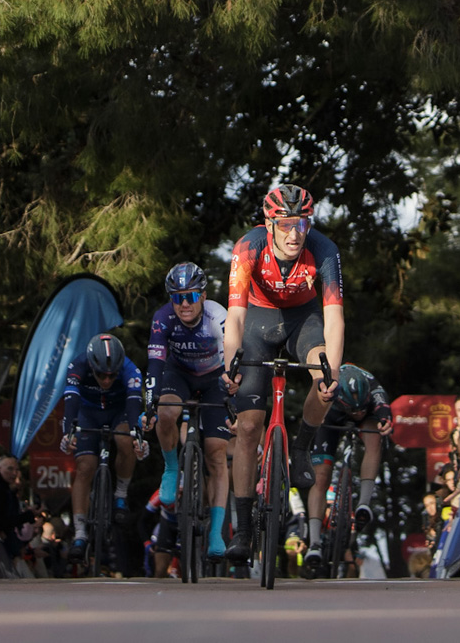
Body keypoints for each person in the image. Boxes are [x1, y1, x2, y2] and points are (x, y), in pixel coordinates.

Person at [222, 184, 343, 564]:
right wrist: (230, 363)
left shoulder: (324, 251)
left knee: (323, 375)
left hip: (301, 321)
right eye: (286, 224)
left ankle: (302, 445)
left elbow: (334, 316)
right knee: (248, 427)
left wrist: (332, 373)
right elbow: (236, 315)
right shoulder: (248, 247)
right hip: (257, 320)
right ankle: (243, 531)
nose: (295, 233)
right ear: (270, 224)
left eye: (302, 223)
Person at [142, 263, 231, 560]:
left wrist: (236, 398)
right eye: (176, 297)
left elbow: (233, 364)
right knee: (166, 413)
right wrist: (150, 402)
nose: (183, 304)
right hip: (177, 374)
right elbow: (155, 363)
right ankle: (170, 467)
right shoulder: (163, 318)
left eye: (190, 296)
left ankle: (217, 532)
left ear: (203, 296)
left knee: (217, 453)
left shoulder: (218, 317)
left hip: (214, 377)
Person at [60, 333, 146, 561]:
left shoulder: (130, 370)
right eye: (100, 375)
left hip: (118, 410)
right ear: (90, 365)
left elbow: (135, 403)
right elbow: (70, 401)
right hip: (87, 413)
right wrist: (68, 431)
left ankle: (120, 494)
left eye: (112, 375)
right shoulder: (77, 365)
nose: (106, 381)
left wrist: (138, 435)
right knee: (85, 466)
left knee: (125, 440)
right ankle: (79, 533)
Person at [302, 363, 390, 572]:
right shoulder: (326, 387)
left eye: (360, 409)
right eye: (354, 410)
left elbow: (384, 411)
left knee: (374, 439)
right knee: (321, 476)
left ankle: (364, 503)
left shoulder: (375, 389)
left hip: (368, 410)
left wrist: (385, 421)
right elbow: (310, 416)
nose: (357, 414)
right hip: (332, 412)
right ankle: (314, 542)